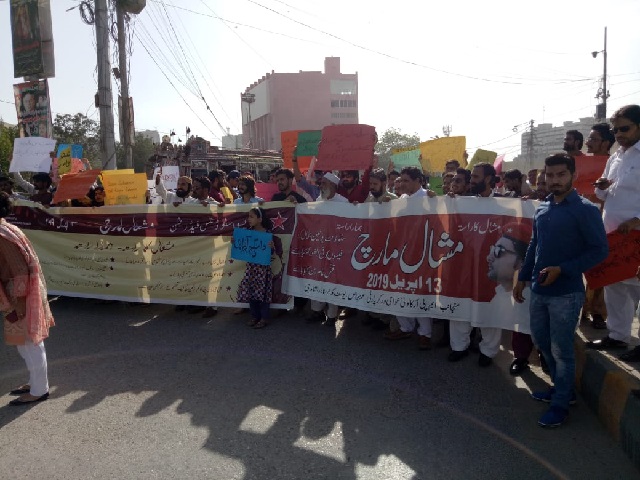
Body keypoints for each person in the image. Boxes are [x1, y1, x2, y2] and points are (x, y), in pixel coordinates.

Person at [514, 153, 608, 428]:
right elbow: (535, 245)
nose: (554, 181)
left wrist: (563, 269)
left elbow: (599, 250)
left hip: (566, 293)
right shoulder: (544, 207)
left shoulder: (586, 209)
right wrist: (523, 276)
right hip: (540, 290)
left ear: (573, 175)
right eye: (550, 175)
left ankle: (561, 403)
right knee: (543, 343)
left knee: (561, 349)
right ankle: (560, 390)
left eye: (560, 175)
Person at [587, 105, 640, 361]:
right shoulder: (615, 157)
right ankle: (618, 336)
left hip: (637, 234)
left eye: (625, 128)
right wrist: (601, 187)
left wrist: (637, 220)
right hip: (613, 234)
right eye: (616, 129)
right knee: (616, 285)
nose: (619, 134)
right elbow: (603, 193)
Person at [0, 192, 55, 405]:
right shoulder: (7, 228)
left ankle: (40, 390)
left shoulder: (3, 234)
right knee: (23, 343)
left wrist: (17, 306)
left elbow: (20, 271)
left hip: (20, 296)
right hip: (18, 294)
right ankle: (35, 382)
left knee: (30, 343)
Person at [385, 166, 434, 350]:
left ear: (418, 181)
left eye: (406, 180)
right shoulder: (401, 200)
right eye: (401, 180)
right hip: (402, 253)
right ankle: (406, 327)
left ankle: (425, 334)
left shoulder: (429, 198)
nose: (402, 184)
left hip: (422, 255)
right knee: (399, 289)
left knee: (420, 293)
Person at [581, 123, 615, 330]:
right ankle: (581, 308)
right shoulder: (579, 163)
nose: (589, 142)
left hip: (604, 222)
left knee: (600, 268)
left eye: (593, 139)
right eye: (589, 138)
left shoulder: (615, 162)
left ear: (606, 142)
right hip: (580, 220)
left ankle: (598, 313)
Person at [306, 173, 348, 325]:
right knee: (317, 278)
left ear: (333, 186)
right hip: (319, 248)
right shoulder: (319, 200)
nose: (321, 186)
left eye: (324, 183)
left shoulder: (344, 202)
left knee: (333, 281)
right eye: (321, 183)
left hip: (336, 249)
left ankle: (331, 315)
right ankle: (317, 311)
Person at [236, 207, 281, 329]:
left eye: (251, 216)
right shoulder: (248, 233)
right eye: (248, 216)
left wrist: (271, 247)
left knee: (263, 295)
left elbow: (271, 253)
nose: (249, 219)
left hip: (263, 270)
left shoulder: (267, 234)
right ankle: (255, 316)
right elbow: (242, 248)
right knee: (252, 294)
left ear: (260, 219)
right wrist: (235, 242)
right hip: (251, 269)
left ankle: (264, 318)